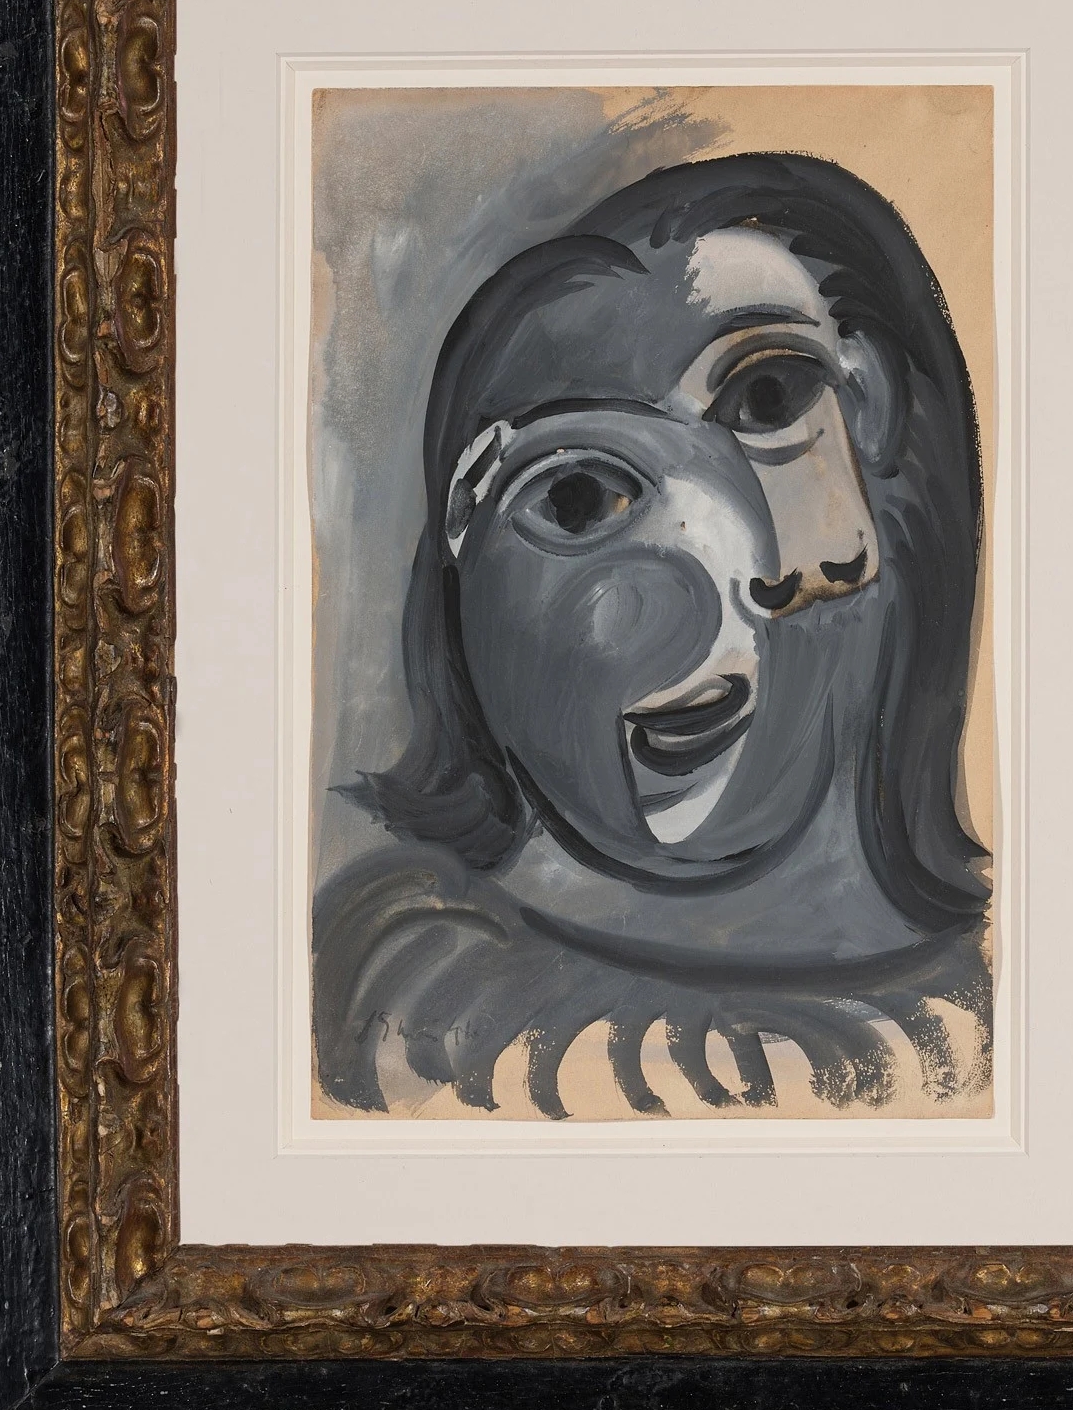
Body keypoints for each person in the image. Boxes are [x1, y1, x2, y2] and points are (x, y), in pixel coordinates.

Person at [313, 152, 991, 1118]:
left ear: (874, 407)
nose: (703, 563)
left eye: (766, 402)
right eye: (577, 497)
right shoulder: (388, 1006)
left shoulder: (1032, 1027)